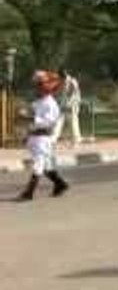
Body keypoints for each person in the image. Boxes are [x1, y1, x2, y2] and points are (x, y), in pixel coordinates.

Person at [15, 71, 69, 202]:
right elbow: (30, 118)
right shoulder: (38, 102)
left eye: (38, 85)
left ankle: (29, 192)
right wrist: (27, 133)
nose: (35, 88)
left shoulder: (51, 104)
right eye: (36, 85)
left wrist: (30, 116)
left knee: (38, 164)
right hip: (35, 138)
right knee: (46, 167)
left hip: (43, 138)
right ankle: (61, 184)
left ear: (46, 87)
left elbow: (48, 122)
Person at [55, 70, 82, 146]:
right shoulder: (62, 82)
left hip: (73, 105)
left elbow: (71, 93)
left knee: (73, 122)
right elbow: (61, 93)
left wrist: (68, 104)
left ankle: (76, 140)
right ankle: (54, 138)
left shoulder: (72, 81)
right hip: (64, 105)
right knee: (59, 121)